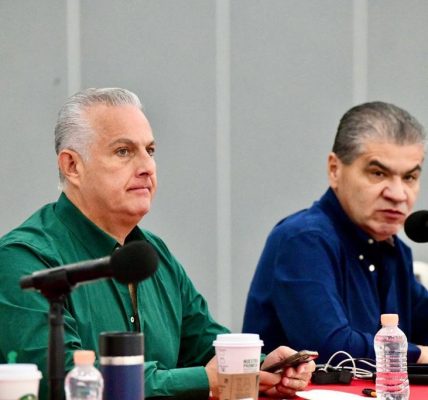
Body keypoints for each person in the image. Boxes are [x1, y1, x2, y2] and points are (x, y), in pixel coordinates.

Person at [0, 88, 313, 400]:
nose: (147, 167)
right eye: (123, 151)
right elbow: (64, 381)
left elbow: (203, 346)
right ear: (72, 166)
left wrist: (259, 366)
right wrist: (205, 380)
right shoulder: (24, 260)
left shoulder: (151, 254)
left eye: (149, 150)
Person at [243, 101, 428, 365]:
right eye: (378, 173)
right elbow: (331, 349)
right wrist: (419, 354)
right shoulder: (303, 240)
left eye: (409, 178)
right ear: (335, 169)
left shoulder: (392, 250)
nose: (398, 194)